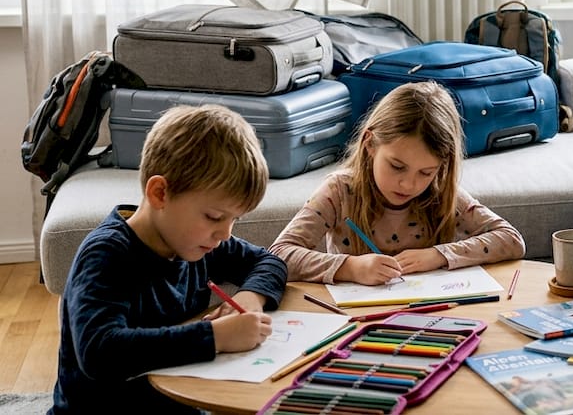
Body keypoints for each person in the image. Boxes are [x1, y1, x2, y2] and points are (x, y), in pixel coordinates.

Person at [51, 104, 287, 414]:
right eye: (214, 216)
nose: (225, 234)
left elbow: (271, 262)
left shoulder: (200, 242)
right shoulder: (107, 254)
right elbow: (99, 351)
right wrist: (214, 337)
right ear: (160, 193)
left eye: (235, 220)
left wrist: (250, 297)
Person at [271, 81, 525, 284]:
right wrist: (350, 268)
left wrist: (439, 255)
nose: (409, 185)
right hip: (354, 317)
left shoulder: (441, 191)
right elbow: (279, 254)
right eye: (397, 166)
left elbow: (511, 239)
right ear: (370, 144)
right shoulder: (339, 191)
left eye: (425, 172)